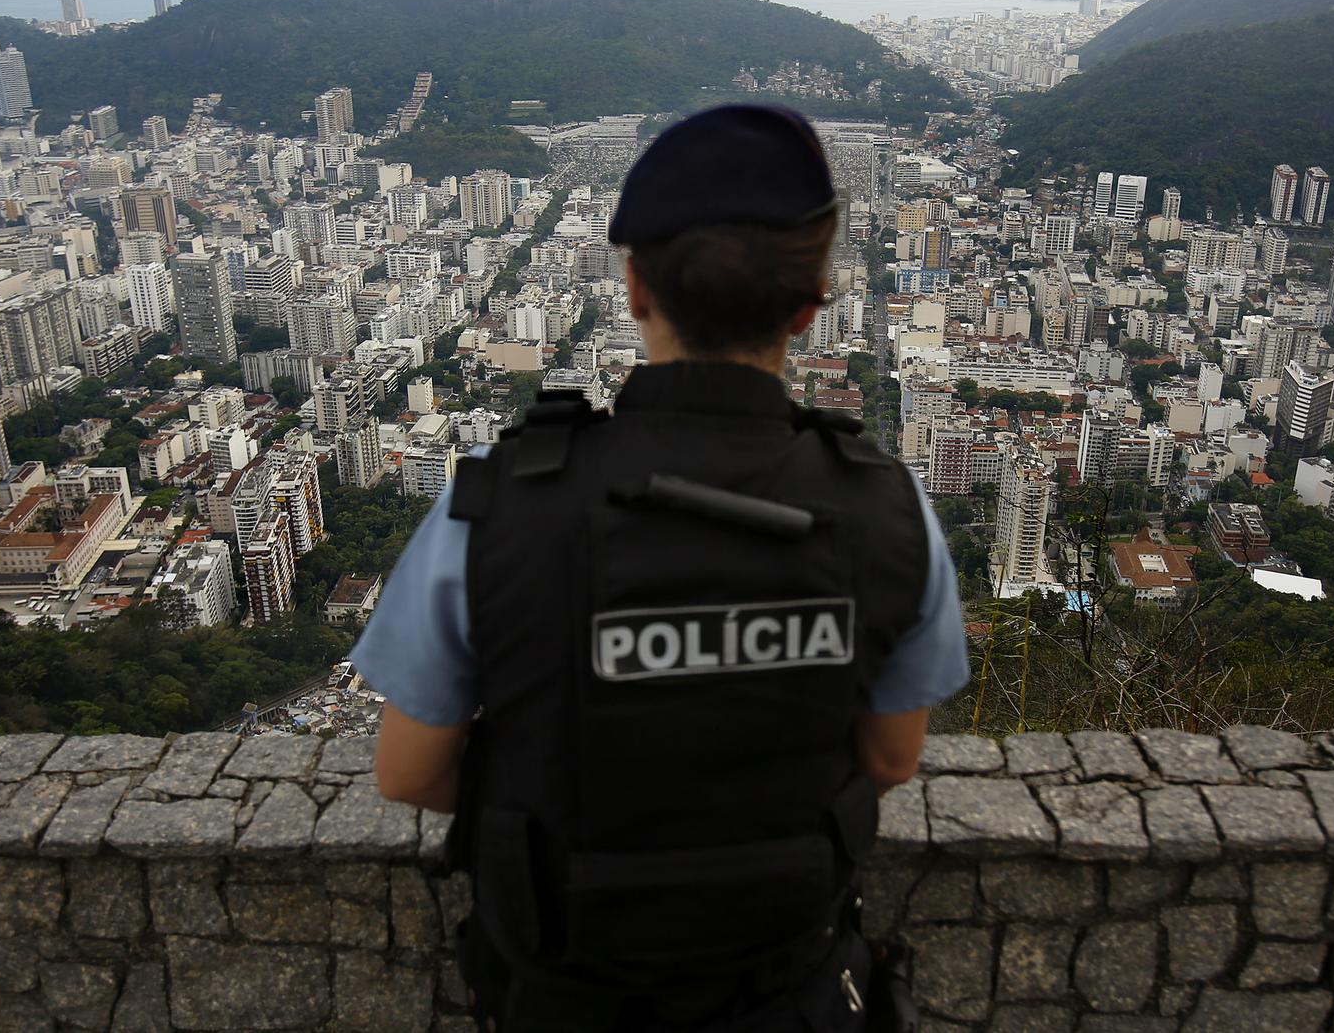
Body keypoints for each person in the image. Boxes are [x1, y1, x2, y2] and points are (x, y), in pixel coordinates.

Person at [352, 104, 969, 1031]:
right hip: (790, 993)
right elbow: (891, 755)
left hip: (564, 997)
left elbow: (407, 771)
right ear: (809, 304)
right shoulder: (887, 510)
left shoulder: (496, 508)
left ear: (635, 286)